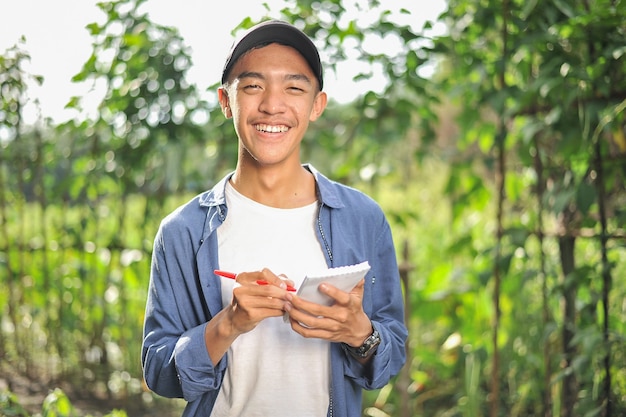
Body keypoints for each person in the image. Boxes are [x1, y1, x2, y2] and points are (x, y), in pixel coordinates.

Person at [141, 20, 407, 417]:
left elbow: (392, 354)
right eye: (253, 86)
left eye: (294, 88)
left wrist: (359, 334)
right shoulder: (183, 231)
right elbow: (159, 372)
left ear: (317, 105)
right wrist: (228, 323)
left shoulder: (363, 219)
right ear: (225, 101)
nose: (272, 104)